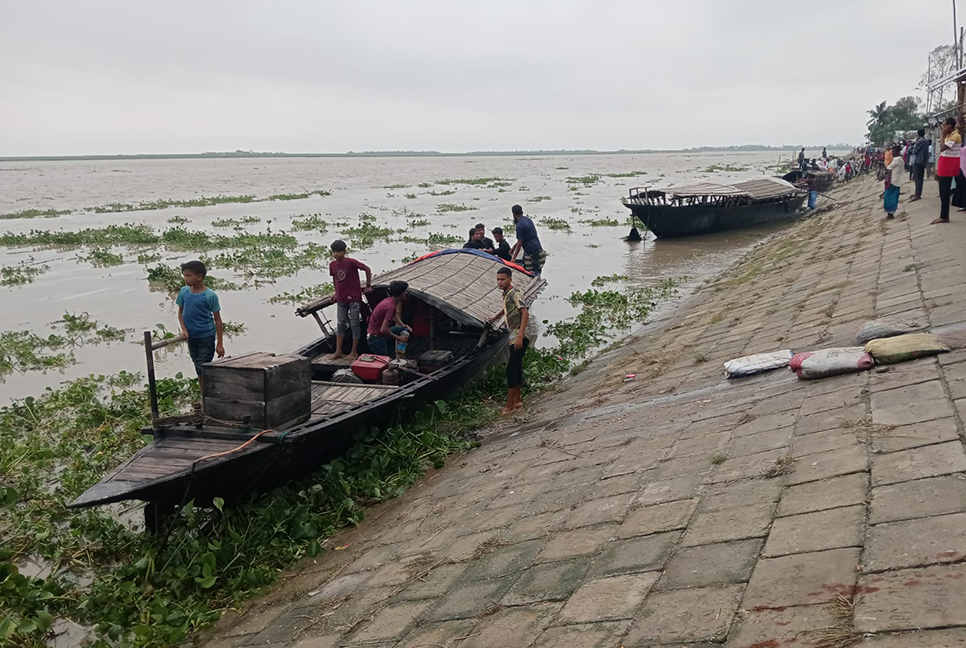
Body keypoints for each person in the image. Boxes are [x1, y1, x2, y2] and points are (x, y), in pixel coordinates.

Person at [488, 266, 530, 415]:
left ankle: (510, 405)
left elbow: (525, 313)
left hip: (519, 333)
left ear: (510, 279)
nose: (500, 282)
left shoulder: (515, 294)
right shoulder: (507, 294)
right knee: (516, 366)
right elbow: (507, 308)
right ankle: (517, 401)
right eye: (498, 279)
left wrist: (520, 336)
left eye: (503, 279)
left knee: (511, 369)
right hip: (514, 332)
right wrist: (495, 317)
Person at [177, 260, 225, 387]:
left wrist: (220, 344)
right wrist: (184, 330)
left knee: (201, 367)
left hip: (206, 336)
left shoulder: (210, 296)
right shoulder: (184, 292)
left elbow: (218, 320)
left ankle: (211, 391)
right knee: (198, 367)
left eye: (188, 275)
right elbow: (180, 313)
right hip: (191, 336)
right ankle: (205, 394)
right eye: (184, 275)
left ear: (199, 277)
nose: (185, 278)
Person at [329, 239, 372, 359]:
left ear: (344, 251)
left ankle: (354, 351)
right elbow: (335, 280)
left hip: (354, 298)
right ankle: (338, 351)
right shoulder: (332, 265)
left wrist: (368, 285)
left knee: (354, 324)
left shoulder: (351, 262)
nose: (336, 254)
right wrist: (336, 293)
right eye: (334, 252)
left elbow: (367, 269)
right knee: (340, 324)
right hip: (341, 299)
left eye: (338, 251)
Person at [366, 280, 411, 356]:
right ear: (401, 294)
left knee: (401, 329)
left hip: (376, 333)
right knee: (384, 360)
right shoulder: (391, 307)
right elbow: (383, 329)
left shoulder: (389, 301)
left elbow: (393, 316)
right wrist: (398, 338)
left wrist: (404, 326)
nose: (406, 293)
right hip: (376, 337)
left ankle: (400, 348)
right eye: (405, 291)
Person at [936, 117, 962, 224]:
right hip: (944, 164)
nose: (943, 127)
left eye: (944, 125)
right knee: (942, 192)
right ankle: (943, 215)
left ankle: (944, 216)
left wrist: (942, 135)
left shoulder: (955, 136)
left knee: (945, 192)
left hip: (949, 166)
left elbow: (942, 148)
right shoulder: (949, 135)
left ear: (949, 126)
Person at [509, 204, 547, 276]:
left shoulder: (519, 226)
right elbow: (524, 238)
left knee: (530, 271)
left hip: (531, 251)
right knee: (536, 268)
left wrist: (514, 258)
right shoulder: (528, 220)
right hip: (538, 247)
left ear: (513, 214)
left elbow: (520, 242)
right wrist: (514, 247)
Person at [884, 144, 903, 219]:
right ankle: (891, 212)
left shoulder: (896, 159)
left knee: (889, 197)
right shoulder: (900, 159)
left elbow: (889, 168)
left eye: (894, 151)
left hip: (892, 181)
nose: (893, 153)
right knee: (894, 197)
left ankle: (890, 213)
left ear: (898, 152)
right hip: (897, 181)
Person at [910, 129, 929, 201]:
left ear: (918, 134)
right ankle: (918, 193)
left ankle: (917, 194)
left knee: (917, 179)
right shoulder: (926, 141)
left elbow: (914, 151)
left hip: (918, 161)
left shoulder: (920, 141)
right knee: (920, 179)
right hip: (923, 162)